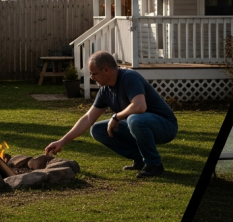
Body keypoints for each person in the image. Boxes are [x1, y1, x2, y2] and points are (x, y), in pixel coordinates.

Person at [45, 51, 178, 178]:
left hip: (165, 126)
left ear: (106, 70)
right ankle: (140, 158)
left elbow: (139, 106)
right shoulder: (105, 90)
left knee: (135, 119)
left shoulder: (129, 77)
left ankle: (154, 165)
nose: (92, 77)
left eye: (94, 73)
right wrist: (62, 141)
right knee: (98, 129)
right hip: (139, 125)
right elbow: (88, 118)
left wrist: (116, 117)